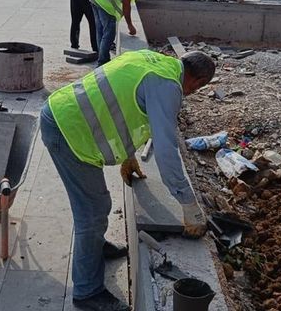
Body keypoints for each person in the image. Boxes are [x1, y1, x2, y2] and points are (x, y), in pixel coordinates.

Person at [41, 49, 215, 311]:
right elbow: (166, 151)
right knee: (92, 212)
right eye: (197, 89)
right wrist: (189, 206)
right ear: (198, 81)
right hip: (69, 133)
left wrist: (128, 155)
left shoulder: (152, 61)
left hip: (66, 115)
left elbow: (119, 106)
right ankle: (87, 292)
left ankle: (95, 247)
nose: (191, 94)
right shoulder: (168, 87)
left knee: (97, 207)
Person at [89, 0, 158, 65]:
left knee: (100, 32)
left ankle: (101, 59)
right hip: (106, 5)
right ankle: (103, 63)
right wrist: (130, 25)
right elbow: (126, 3)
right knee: (108, 35)